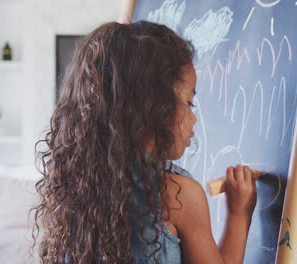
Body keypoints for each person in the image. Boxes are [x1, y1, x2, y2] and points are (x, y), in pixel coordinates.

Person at [30, 20, 258, 264]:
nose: (193, 118)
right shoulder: (178, 196)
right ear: (152, 107)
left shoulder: (80, 188)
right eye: (188, 103)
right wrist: (239, 214)